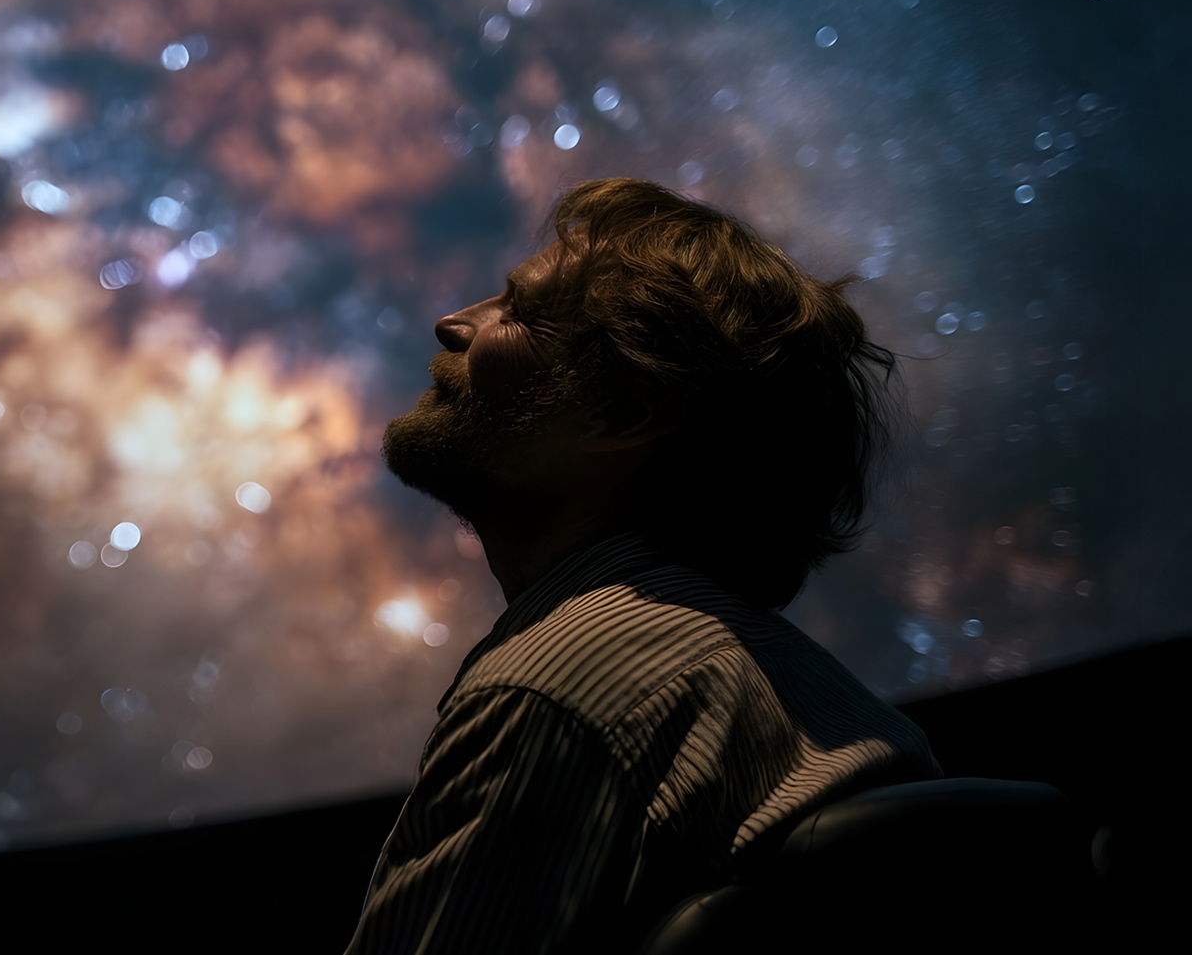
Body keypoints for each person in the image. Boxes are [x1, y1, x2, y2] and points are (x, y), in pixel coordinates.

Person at [349, 178, 940, 953]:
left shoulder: (556, 689)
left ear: (623, 412)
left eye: (519, 310)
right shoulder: (790, 680)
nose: (454, 321)